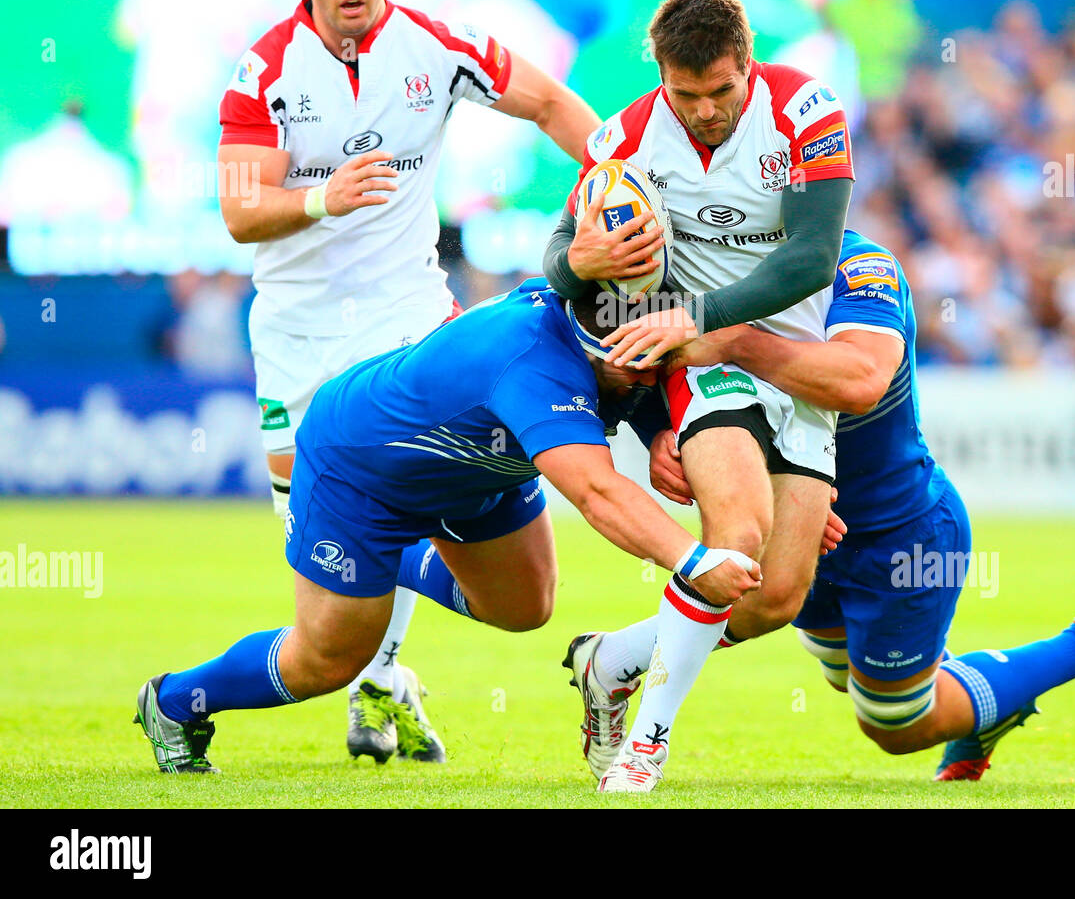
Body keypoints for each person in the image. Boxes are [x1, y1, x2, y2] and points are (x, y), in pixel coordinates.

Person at [216, 0, 601, 763]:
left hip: (409, 323)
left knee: (398, 515)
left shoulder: (435, 44)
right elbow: (241, 212)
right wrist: (323, 195)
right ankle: (381, 681)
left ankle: (376, 687)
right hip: (298, 337)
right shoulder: (267, 70)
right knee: (329, 554)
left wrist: (618, 172)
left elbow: (547, 102)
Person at [134, 282, 761, 774]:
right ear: (595, 350)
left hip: (476, 468)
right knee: (328, 659)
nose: (649, 380)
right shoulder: (534, 370)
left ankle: (385, 567)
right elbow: (598, 492)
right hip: (363, 470)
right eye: (636, 371)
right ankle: (172, 702)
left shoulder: (594, 325)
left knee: (525, 608)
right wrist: (695, 559)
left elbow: (639, 378)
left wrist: (654, 430)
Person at [618, 230, 1075, 778]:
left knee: (895, 723)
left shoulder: (858, 263)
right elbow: (647, 355)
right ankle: (990, 701)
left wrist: (735, 343)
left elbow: (860, 381)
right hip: (805, 525)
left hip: (897, 533)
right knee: (845, 673)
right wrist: (657, 430)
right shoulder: (703, 254)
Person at [543, 0, 853, 791]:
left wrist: (699, 313)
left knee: (775, 597)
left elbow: (814, 259)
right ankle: (647, 745)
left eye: (722, 91)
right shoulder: (628, 139)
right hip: (706, 365)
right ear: (663, 78)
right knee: (735, 539)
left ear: (748, 65)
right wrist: (587, 266)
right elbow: (557, 261)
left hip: (794, 370)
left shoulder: (809, 112)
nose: (707, 110)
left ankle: (613, 658)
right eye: (687, 95)